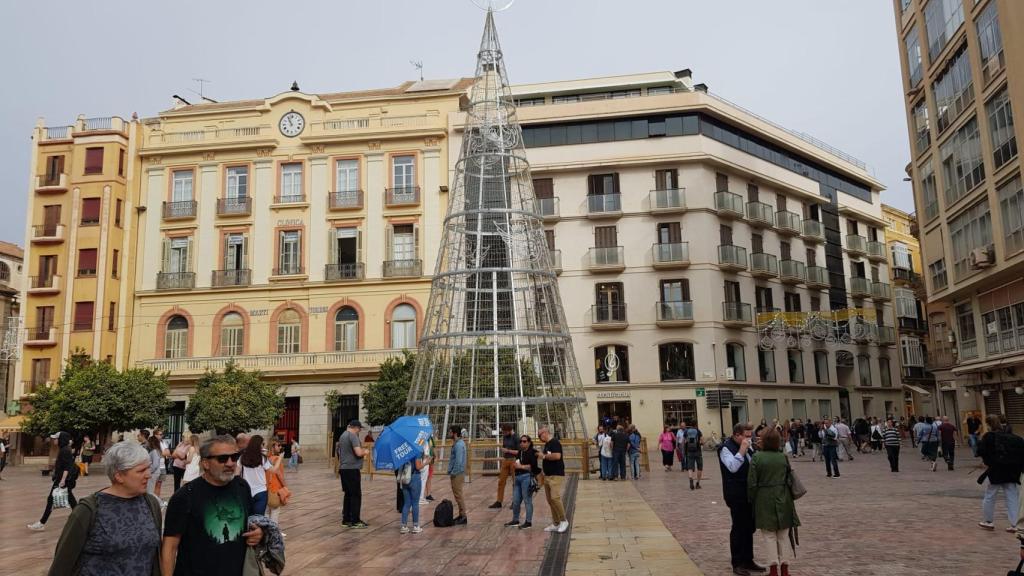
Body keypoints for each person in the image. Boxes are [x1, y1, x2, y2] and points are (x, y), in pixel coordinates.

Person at [48, 441, 163, 576]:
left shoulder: (151, 504)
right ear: (118, 475)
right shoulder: (88, 510)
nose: (148, 475)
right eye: (141, 470)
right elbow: (62, 563)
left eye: (148, 468)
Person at [161, 435, 263, 576]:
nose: (230, 463)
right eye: (222, 458)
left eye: (234, 457)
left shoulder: (242, 487)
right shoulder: (185, 496)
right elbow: (170, 547)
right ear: (205, 463)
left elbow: (250, 524)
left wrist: (258, 534)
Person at [748, 428, 799, 576]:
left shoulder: (757, 457)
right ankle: (785, 569)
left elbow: (751, 483)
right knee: (783, 535)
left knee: (769, 536)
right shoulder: (783, 457)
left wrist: (752, 498)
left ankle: (773, 569)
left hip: (764, 498)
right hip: (783, 497)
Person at [719, 423, 764, 576]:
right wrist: (742, 450)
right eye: (746, 436)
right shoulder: (725, 448)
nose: (748, 439)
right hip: (736, 494)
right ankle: (737, 562)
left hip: (749, 494)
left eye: (750, 436)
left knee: (749, 527)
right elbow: (732, 467)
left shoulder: (748, 446)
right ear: (736, 435)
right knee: (738, 528)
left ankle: (748, 559)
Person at [977, 415, 1024, 532]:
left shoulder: (989, 436)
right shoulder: (1015, 438)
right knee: (1012, 496)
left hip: (996, 470)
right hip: (1012, 471)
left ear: (988, 425)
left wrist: (987, 461)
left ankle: (988, 521)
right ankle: (1014, 524)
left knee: (990, 495)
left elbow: (981, 451)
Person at [29, 432, 80, 531]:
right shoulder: (64, 450)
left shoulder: (64, 451)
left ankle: (41, 523)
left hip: (63, 481)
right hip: (63, 480)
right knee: (71, 501)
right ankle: (82, 518)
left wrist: (62, 480)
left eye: (56, 438)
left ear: (61, 439)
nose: (54, 440)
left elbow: (67, 468)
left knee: (51, 500)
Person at [505, 434, 540, 529]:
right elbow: (518, 461)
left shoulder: (532, 452)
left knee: (527, 500)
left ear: (529, 442)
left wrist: (521, 466)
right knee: (516, 501)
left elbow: (532, 466)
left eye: (524, 441)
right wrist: (515, 465)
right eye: (521, 441)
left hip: (526, 477)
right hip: (518, 477)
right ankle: (515, 520)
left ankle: (528, 522)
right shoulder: (520, 452)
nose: (522, 443)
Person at [338, 420, 368, 528]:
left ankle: (346, 520)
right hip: (352, 469)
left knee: (348, 495)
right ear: (355, 427)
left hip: (344, 469)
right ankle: (355, 520)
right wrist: (365, 451)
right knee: (356, 495)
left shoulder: (342, 436)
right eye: (359, 429)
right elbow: (358, 452)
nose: (359, 430)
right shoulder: (353, 436)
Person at [538, 426, 568, 533]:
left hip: (556, 475)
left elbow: (557, 456)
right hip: (548, 475)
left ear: (545, 433)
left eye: (540, 435)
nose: (539, 438)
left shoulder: (555, 442)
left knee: (555, 498)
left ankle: (564, 520)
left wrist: (544, 456)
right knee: (550, 500)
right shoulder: (547, 444)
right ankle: (556, 522)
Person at [240, 435, 273, 515]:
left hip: (246, 491)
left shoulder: (242, 457)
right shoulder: (263, 458)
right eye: (262, 444)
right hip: (261, 491)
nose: (263, 446)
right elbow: (273, 470)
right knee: (259, 519)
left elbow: (236, 475)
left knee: (247, 518)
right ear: (258, 445)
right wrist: (279, 459)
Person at [399, 450, 428, 534]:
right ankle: (415, 526)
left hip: (405, 478)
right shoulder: (416, 451)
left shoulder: (404, 451)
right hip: (415, 477)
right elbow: (418, 466)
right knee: (415, 503)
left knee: (407, 503)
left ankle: (404, 526)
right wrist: (426, 462)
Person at [492, 424, 519, 509]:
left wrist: (508, 450)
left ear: (509, 430)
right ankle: (499, 501)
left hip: (514, 460)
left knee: (515, 483)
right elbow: (504, 446)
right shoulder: (505, 437)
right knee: (501, 481)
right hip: (505, 460)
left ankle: (515, 502)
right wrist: (504, 450)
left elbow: (519, 452)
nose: (503, 433)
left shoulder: (516, 438)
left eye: (505, 432)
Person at [447, 426, 468, 524]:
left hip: (458, 473)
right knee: (458, 495)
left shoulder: (459, 445)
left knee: (458, 495)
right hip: (457, 472)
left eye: (450, 432)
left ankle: (463, 516)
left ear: (454, 433)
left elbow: (458, 461)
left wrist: (453, 472)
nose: (449, 433)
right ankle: (461, 515)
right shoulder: (457, 443)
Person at [266, 440, 289, 525]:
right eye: (278, 445)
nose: (280, 447)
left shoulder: (266, 458)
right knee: (275, 511)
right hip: (275, 488)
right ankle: (274, 532)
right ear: (272, 447)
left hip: (266, 488)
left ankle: (267, 532)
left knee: (267, 512)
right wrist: (285, 486)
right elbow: (279, 475)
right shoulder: (276, 459)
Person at [683, 420, 704, 490]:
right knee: (699, 467)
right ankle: (697, 483)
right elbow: (702, 441)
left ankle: (691, 480)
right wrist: (701, 443)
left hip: (689, 451)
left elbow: (684, 441)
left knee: (690, 467)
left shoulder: (686, 431)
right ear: (696, 425)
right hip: (698, 451)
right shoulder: (698, 431)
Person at [153, 429, 171, 497]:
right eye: (160, 434)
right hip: (156, 466)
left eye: (162, 434)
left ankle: (157, 500)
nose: (162, 436)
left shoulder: (163, 442)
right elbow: (159, 453)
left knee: (159, 485)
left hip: (162, 466)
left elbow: (168, 453)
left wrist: (163, 453)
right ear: (155, 435)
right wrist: (163, 453)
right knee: (153, 485)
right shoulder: (153, 443)